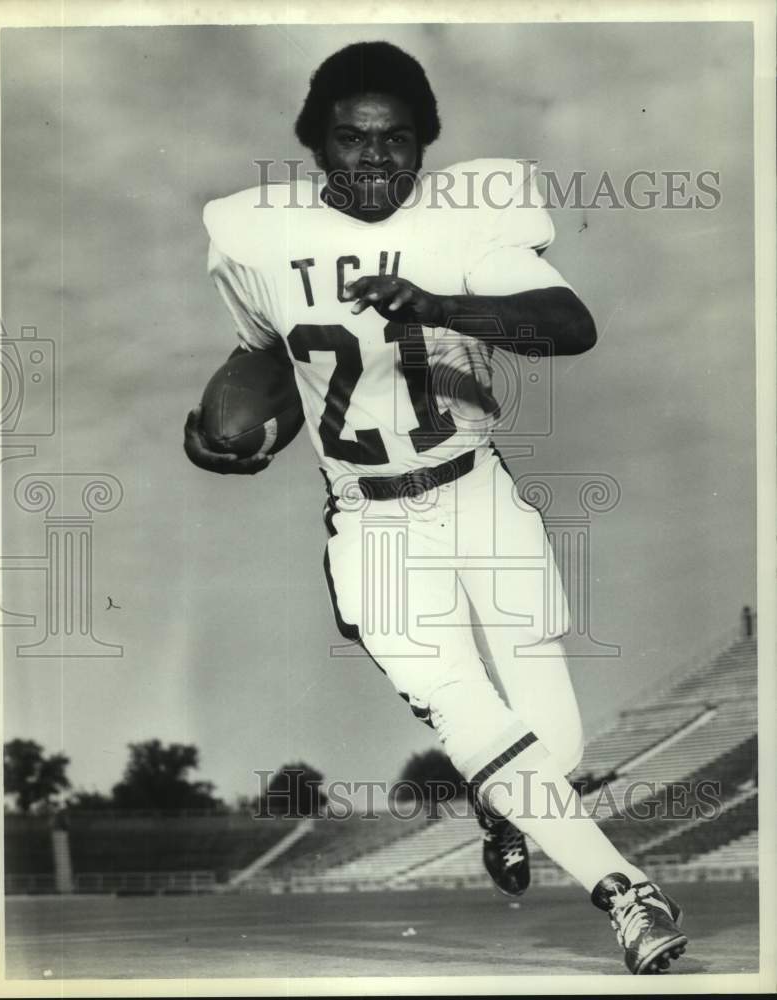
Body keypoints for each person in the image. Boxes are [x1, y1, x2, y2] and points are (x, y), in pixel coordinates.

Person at [184, 41, 688, 975]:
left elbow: (569, 328)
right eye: (350, 141)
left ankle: (505, 803)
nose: (374, 161)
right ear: (315, 146)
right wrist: (224, 433)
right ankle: (628, 894)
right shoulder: (253, 234)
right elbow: (279, 365)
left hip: (477, 492)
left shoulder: (467, 218)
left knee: (554, 744)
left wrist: (441, 306)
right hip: (368, 521)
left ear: (425, 146)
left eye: (396, 141)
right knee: (470, 715)